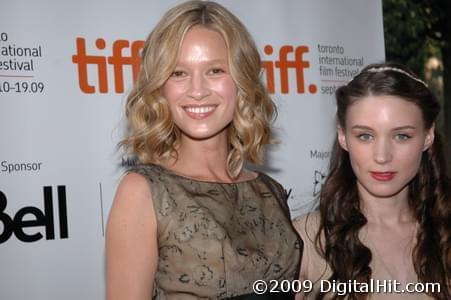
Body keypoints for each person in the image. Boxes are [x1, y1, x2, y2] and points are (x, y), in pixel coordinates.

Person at [106, 1, 301, 299]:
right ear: (160, 87)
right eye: (179, 73)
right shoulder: (144, 192)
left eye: (215, 70)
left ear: (241, 80)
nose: (197, 90)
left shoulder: (270, 191)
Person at [294, 62, 451, 299]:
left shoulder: (445, 230)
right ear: (343, 138)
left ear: (427, 136)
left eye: (401, 136)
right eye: (365, 136)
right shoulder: (306, 241)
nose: (382, 156)